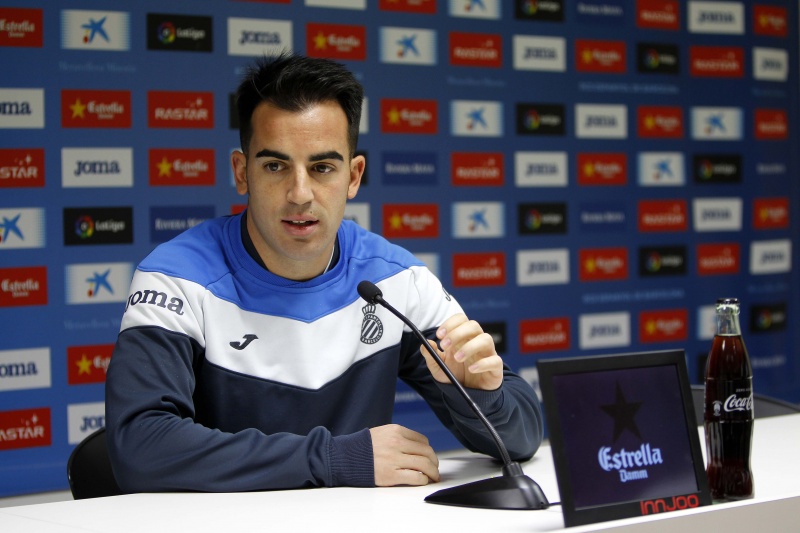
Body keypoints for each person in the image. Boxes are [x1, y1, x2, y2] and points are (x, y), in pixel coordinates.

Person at [105, 52, 543, 493]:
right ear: (242, 172)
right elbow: (140, 447)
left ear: (353, 176)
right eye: (275, 166)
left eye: (322, 168)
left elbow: (522, 438)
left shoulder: (393, 280)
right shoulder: (177, 278)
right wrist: (334, 459)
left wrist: (482, 398)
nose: (300, 194)